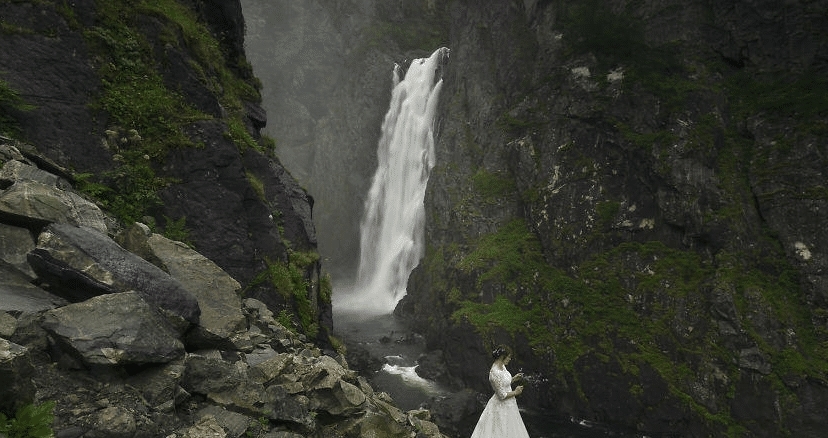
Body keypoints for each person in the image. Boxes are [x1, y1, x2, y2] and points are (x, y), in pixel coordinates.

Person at [470, 344, 531, 438]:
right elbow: (502, 395)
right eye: (509, 357)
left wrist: (513, 379)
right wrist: (516, 392)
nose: (510, 359)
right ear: (503, 356)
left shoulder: (502, 366)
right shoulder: (494, 373)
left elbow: (502, 384)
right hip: (501, 407)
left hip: (510, 404)